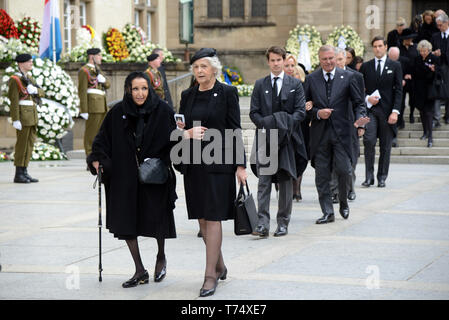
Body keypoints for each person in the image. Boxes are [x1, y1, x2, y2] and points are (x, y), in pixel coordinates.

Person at [86, 71, 177, 288]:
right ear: (128, 89)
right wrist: (96, 159)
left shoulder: (162, 110)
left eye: (144, 88)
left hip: (153, 175)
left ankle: (161, 256)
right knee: (126, 221)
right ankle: (139, 269)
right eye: (135, 89)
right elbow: (101, 140)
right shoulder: (117, 111)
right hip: (123, 176)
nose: (140, 93)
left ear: (150, 89)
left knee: (157, 218)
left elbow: (172, 139)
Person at [175, 48, 247, 297]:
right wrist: (184, 132)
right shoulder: (187, 95)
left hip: (219, 161)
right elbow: (180, 125)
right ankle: (219, 264)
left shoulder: (227, 92)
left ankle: (209, 276)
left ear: (214, 68)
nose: (199, 71)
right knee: (202, 219)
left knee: (213, 215)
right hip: (194, 162)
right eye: (195, 67)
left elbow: (235, 128)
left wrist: (240, 165)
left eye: (203, 66)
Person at [304, 45, 368, 224]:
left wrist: (360, 120)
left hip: (343, 133)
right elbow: (304, 107)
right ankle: (327, 211)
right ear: (319, 60)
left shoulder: (349, 77)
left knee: (344, 169)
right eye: (324, 59)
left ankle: (343, 201)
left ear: (336, 57)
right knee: (322, 175)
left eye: (331, 58)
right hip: (320, 134)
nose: (328, 61)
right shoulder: (311, 79)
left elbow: (359, 103)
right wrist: (317, 113)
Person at [250, 46, 308, 236]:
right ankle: (262, 224)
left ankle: (283, 222)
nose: (275, 63)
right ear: (268, 62)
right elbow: (254, 112)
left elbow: (300, 112)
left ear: (284, 61)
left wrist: (282, 123)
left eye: (278, 60)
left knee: (285, 182)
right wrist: (268, 124)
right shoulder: (260, 84)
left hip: (287, 139)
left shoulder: (295, 84)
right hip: (266, 139)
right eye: (272, 60)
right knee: (264, 182)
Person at [360, 36, 403, 188]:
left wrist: (395, 112)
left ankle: (382, 177)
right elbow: (359, 90)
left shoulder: (395, 65)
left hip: (387, 112)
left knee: (385, 146)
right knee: (369, 141)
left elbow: (399, 90)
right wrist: (367, 99)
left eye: (380, 46)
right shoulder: (366, 66)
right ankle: (369, 177)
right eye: (375, 46)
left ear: (385, 47)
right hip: (371, 111)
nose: (377, 49)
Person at [328, 47, 366, 203]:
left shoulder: (355, 76)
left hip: (350, 124)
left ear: (346, 60)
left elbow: (360, 103)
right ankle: (335, 191)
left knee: (350, 160)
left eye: (340, 59)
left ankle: (350, 188)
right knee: (334, 160)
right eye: (334, 59)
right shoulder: (327, 76)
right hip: (331, 125)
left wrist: (361, 124)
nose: (336, 62)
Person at [8, 53, 44, 183]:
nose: (31, 63)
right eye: (29, 62)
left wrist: (35, 90)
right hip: (23, 117)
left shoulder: (29, 78)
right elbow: (14, 100)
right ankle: (18, 173)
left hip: (32, 116)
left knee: (29, 145)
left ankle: (25, 171)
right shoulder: (15, 79)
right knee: (22, 145)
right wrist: (15, 119)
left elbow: (42, 92)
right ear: (21, 64)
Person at [78, 48, 110, 157]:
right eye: (99, 55)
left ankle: (99, 154)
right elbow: (82, 91)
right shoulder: (84, 70)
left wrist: (104, 80)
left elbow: (108, 85)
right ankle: (90, 156)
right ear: (92, 57)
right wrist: (84, 109)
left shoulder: (98, 70)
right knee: (91, 134)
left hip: (102, 105)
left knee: (101, 133)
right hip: (93, 106)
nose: (101, 58)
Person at [284, 54, 306, 201]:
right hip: (280, 128)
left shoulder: (299, 84)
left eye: (293, 65)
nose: (291, 69)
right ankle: (284, 187)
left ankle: (296, 189)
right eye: (287, 66)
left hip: (298, 127)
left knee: (298, 157)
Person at [414, 40, 439, 147]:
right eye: (421, 51)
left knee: (429, 113)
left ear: (429, 50)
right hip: (419, 90)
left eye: (425, 51)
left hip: (430, 90)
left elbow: (437, 72)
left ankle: (430, 137)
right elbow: (416, 71)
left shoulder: (434, 59)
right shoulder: (417, 59)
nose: (423, 53)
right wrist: (427, 69)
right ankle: (425, 132)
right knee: (422, 112)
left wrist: (431, 70)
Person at [398, 28, 419, 126]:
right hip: (402, 78)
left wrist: (412, 74)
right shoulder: (399, 48)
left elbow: (417, 62)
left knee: (413, 98)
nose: (409, 41)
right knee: (401, 100)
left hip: (413, 77)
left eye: (410, 39)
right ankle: (400, 118)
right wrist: (403, 75)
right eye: (407, 39)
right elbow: (397, 63)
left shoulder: (415, 47)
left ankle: (411, 114)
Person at [431, 13, 449, 126]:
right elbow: (430, 52)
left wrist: (443, 54)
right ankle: (436, 117)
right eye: (437, 25)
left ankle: (448, 116)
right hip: (438, 69)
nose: (438, 27)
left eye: (440, 25)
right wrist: (434, 54)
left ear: (447, 23)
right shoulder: (435, 36)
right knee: (437, 91)